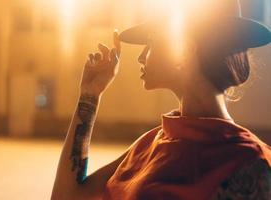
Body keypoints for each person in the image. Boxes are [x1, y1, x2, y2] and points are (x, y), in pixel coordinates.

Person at [51, 0, 271, 199]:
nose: (140, 56)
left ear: (183, 50)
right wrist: (89, 95)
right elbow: (67, 196)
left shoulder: (250, 163)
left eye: (150, 42)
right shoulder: (150, 143)